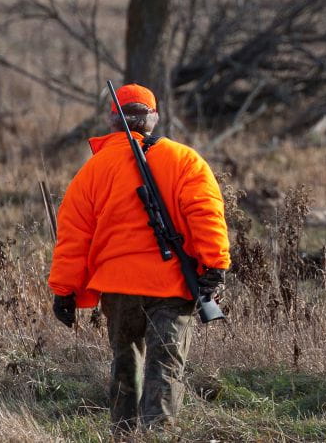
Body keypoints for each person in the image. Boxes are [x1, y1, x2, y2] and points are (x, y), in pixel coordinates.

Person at [47, 83, 231, 432]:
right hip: (173, 284)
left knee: (125, 364)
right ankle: (157, 434)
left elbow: (73, 236)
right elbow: (206, 213)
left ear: (113, 121)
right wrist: (214, 265)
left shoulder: (93, 170)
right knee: (165, 365)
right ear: (154, 119)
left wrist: (64, 290)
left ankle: (123, 435)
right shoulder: (185, 159)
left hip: (118, 288)